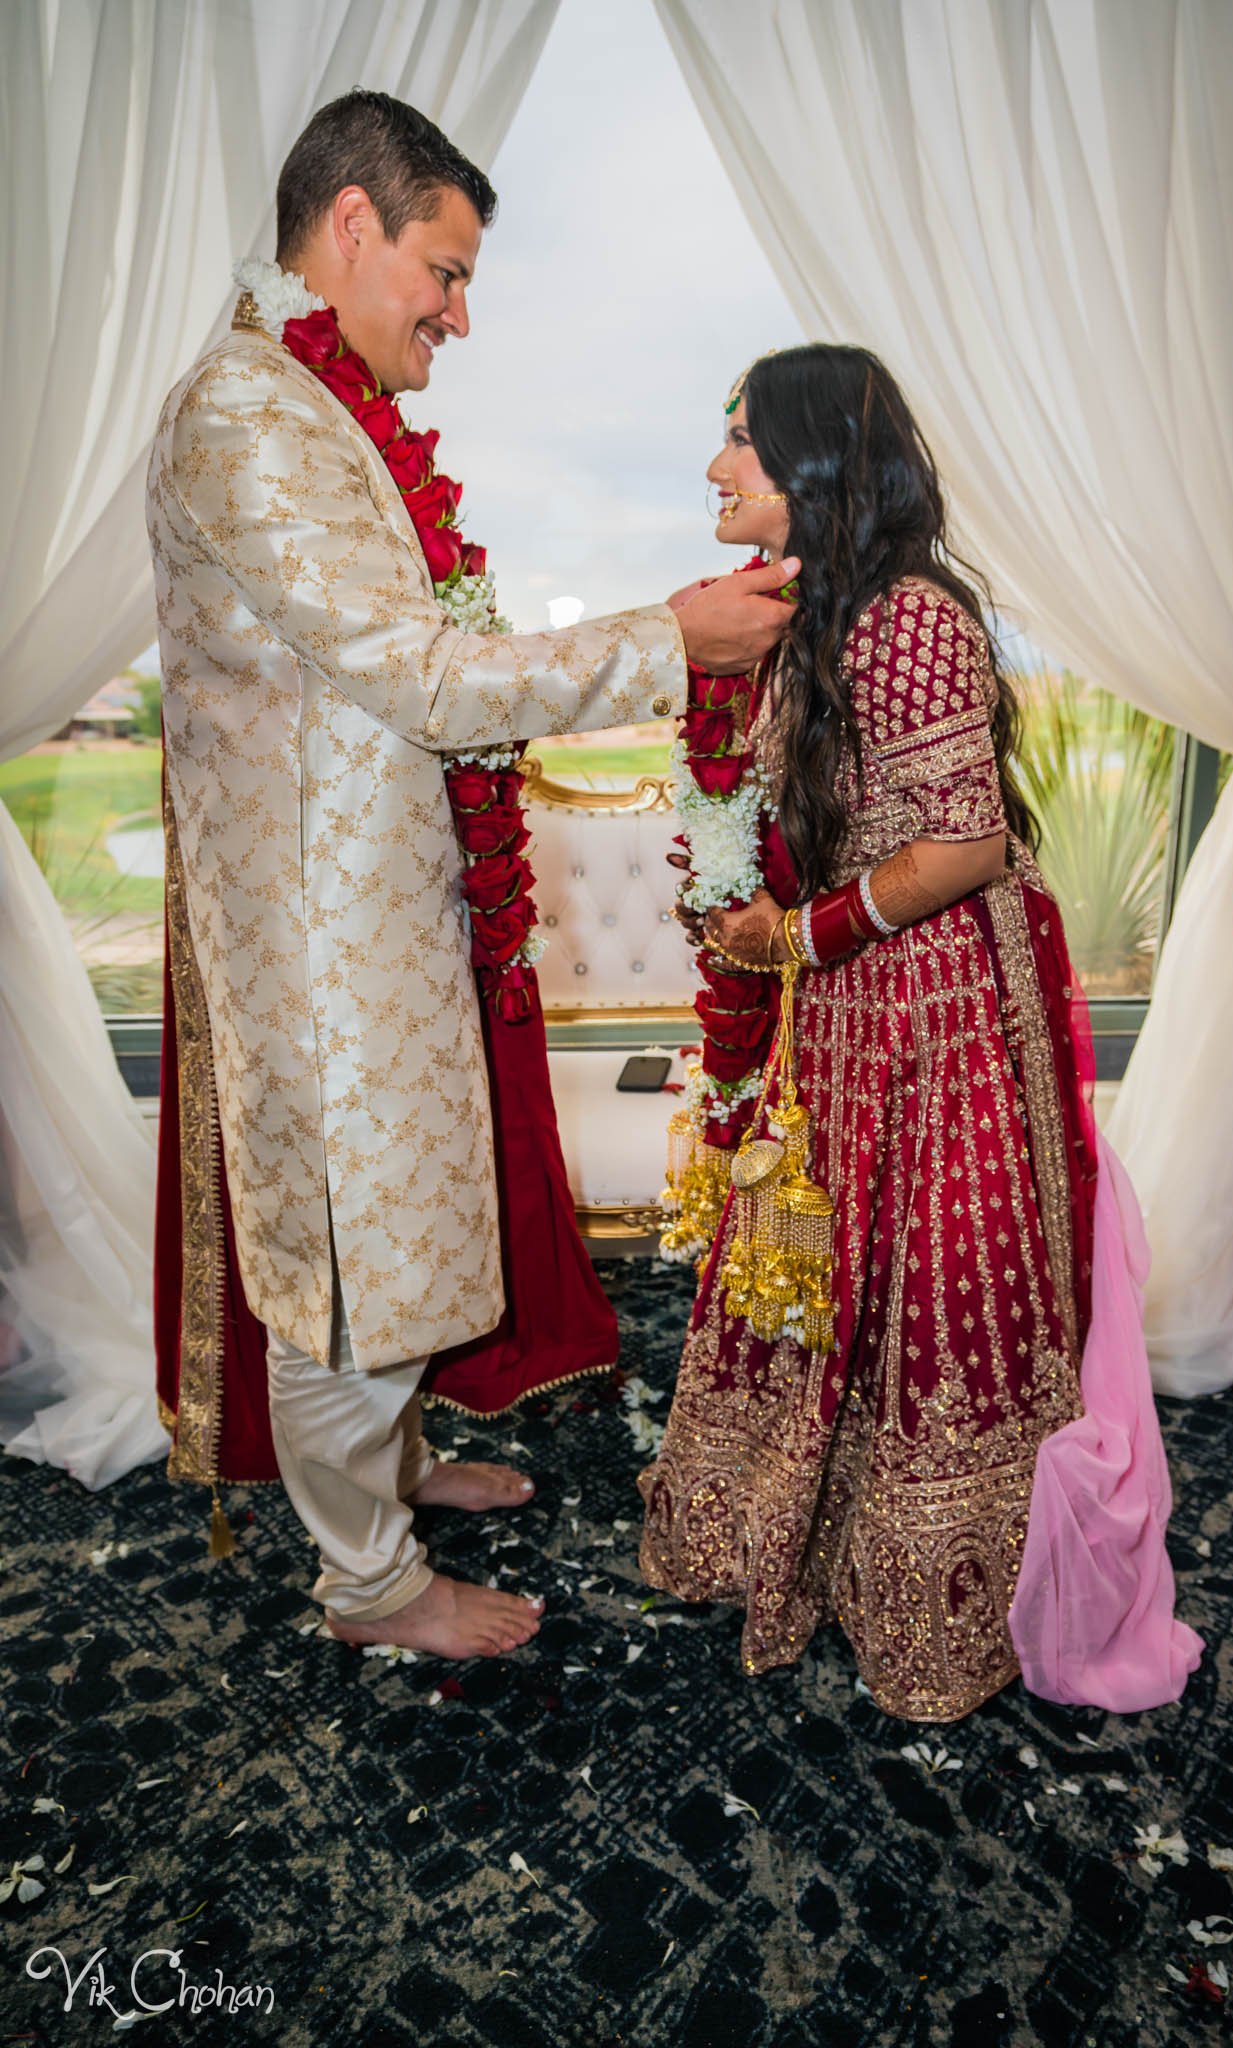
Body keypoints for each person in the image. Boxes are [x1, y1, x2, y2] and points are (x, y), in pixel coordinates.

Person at [146, 90, 798, 1665]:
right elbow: (419, 679)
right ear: (353, 224)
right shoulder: (247, 410)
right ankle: (366, 1585)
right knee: (346, 1262)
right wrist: (673, 640)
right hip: (314, 932)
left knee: (406, 1236)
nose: (457, 312)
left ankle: (398, 1468)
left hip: (375, 909)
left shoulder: (317, 405)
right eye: (444, 270)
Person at [639, 344, 1199, 1721]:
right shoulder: (808, 613)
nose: (715, 471)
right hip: (840, 1005)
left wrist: (797, 935)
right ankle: (810, 1541)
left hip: (934, 1001)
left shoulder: (904, 619)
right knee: (827, 1263)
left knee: (925, 1275)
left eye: (744, 449)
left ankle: (937, 1584)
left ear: (819, 468)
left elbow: (961, 844)